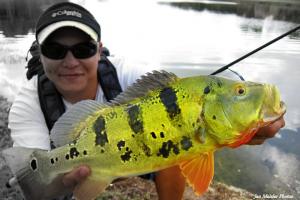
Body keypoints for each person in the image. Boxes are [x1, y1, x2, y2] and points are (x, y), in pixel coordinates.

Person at [8, 2, 285, 200]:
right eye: (55, 50)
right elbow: (38, 190)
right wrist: (64, 182)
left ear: (99, 50)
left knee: (179, 151)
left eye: (83, 48)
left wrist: (247, 101)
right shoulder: (27, 105)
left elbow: (220, 82)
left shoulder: (125, 70)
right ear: (39, 53)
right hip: (84, 163)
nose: (70, 61)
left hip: (147, 155)